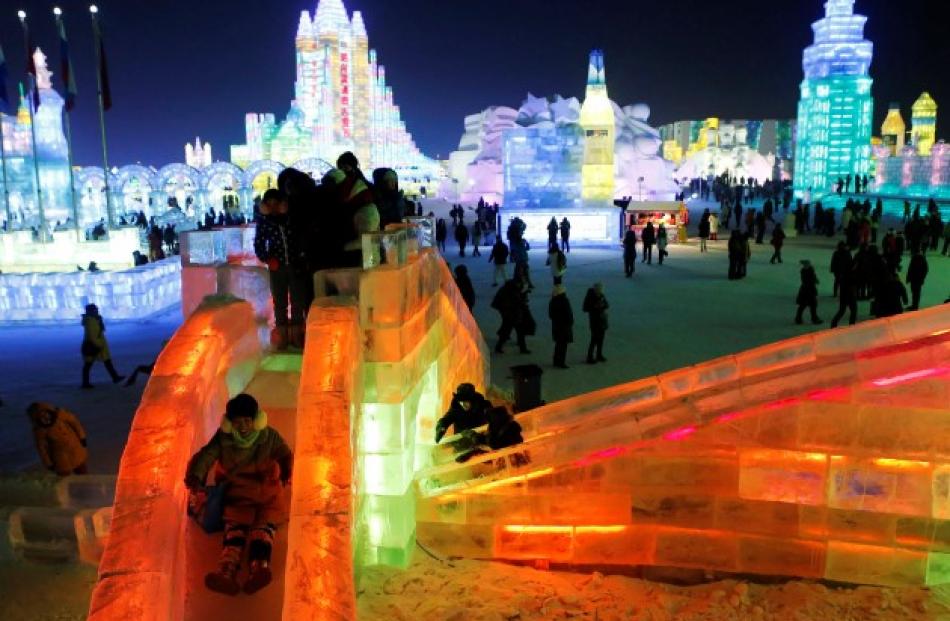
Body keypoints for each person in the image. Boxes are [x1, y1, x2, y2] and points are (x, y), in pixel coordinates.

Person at [185, 394, 293, 596]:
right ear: (229, 423)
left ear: (256, 420)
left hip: (266, 492)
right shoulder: (223, 439)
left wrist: (287, 469)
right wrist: (195, 476)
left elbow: (284, 453)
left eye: (247, 421)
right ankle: (226, 571)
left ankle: (258, 567)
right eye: (237, 422)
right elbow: (207, 455)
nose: (242, 426)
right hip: (237, 492)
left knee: (263, 528)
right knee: (234, 529)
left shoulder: (268, 436)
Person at [254, 189, 309, 350]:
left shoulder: (292, 219)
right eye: (269, 203)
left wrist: (302, 257)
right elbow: (258, 243)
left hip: (295, 265)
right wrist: (267, 259)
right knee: (280, 302)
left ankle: (297, 335)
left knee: (297, 300)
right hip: (276, 267)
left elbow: (301, 238)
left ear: (282, 204)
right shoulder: (264, 222)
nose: (272, 207)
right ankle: (282, 336)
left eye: (275, 203)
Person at [27, 402, 88, 476]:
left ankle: (85, 486)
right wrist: (48, 463)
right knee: (63, 480)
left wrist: (82, 437)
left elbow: (75, 423)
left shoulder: (60, 415)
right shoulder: (39, 430)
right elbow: (41, 448)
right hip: (60, 459)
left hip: (75, 449)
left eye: (45, 413)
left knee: (83, 474)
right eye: (41, 416)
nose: (45, 417)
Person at [81, 304, 124, 388]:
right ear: (90, 311)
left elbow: (99, 331)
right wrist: (99, 344)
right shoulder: (90, 321)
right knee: (89, 364)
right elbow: (92, 336)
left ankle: (115, 377)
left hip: (97, 345)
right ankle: (85, 383)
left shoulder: (95, 319)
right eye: (95, 310)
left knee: (106, 362)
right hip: (93, 346)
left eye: (97, 309)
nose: (97, 311)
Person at [491, 278, 531, 354]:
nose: (521, 286)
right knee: (516, 332)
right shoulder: (512, 292)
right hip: (513, 315)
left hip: (509, 315)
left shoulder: (506, 289)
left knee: (509, 331)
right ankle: (522, 348)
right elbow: (517, 302)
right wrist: (523, 297)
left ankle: (499, 347)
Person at [548, 280, 574, 369]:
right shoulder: (564, 300)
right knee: (563, 345)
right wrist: (570, 322)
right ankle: (561, 362)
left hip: (556, 326)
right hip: (564, 327)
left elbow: (551, 315)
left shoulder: (553, 301)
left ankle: (556, 361)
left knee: (558, 345)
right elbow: (569, 314)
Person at [582, 283, 608, 364]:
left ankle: (599, 354)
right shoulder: (590, 297)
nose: (601, 291)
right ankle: (590, 357)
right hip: (595, 321)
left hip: (602, 320)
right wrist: (595, 307)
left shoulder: (601, 295)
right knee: (594, 339)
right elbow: (585, 308)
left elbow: (607, 305)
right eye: (600, 290)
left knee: (601, 339)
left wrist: (602, 305)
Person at [830, 258, 858, 328]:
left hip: (844, 295)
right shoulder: (851, 274)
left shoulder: (845, 273)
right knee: (853, 310)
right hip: (849, 295)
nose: (856, 266)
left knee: (842, 311)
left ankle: (834, 324)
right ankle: (852, 325)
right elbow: (852, 283)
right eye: (855, 265)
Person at [795, 260, 823, 325]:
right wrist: (814, 281)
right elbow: (807, 280)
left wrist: (815, 280)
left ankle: (800, 318)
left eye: (808, 264)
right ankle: (813, 319)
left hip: (808, 290)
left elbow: (813, 278)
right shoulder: (805, 271)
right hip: (806, 291)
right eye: (806, 264)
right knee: (805, 305)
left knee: (810, 305)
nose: (807, 265)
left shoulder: (810, 270)